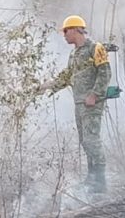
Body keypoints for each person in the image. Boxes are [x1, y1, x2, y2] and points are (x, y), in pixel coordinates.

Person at [40, 15, 112, 193]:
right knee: (84, 142)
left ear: (74, 30)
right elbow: (68, 76)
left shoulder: (96, 48)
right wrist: (46, 86)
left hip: (92, 104)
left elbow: (105, 74)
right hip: (79, 104)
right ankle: (92, 178)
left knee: (92, 140)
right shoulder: (74, 53)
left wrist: (94, 95)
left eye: (65, 31)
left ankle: (100, 183)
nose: (64, 35)